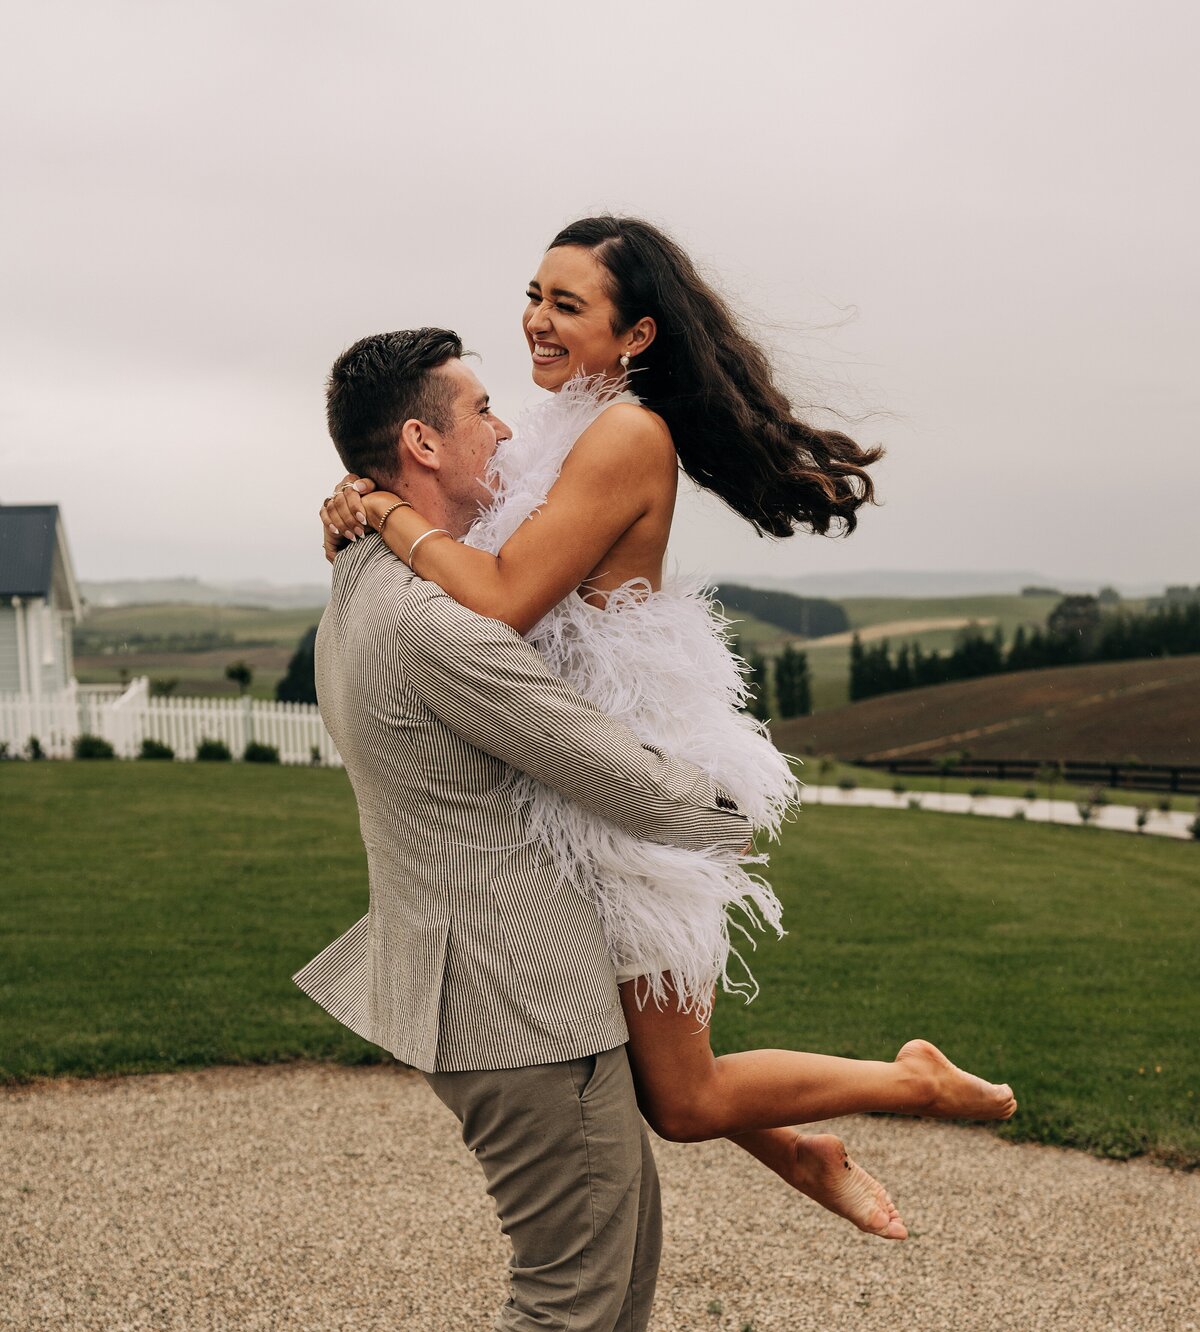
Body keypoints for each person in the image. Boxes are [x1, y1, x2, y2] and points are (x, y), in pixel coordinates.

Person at [321, 215, 1017, 1251]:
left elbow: (504, 594)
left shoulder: (628, 434)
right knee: (649, 1068)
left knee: (681, 1098)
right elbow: (465, 529)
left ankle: (909, 1082)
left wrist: (382, 514)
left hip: (625, 783)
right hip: (560, 772)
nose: (535, 321)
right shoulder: (554, 426)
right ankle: (801, 1149)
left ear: (636, 335)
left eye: (568, 305)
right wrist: (356, 502)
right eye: (534, 294)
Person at [295, 326, 758, 1332]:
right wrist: (742, 810)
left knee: (627, 1231)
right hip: (518, 999)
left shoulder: (368, 568)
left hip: (501, 979)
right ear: (422, 446)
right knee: (566, 1281)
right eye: (481, 410)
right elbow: (618, 775)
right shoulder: (440, 626)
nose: (506, 429)